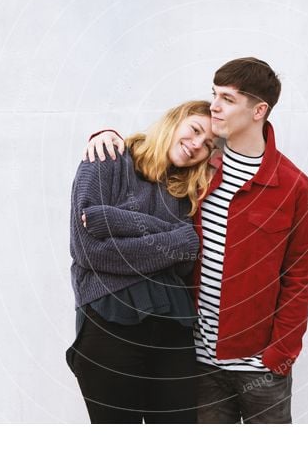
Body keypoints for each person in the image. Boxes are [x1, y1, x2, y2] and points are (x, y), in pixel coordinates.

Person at [84, 58, 308, 423]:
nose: (215, 105)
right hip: (194, 361)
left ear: (259, 110)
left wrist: (280, 355)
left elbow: (300, 276)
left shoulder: (293, 186)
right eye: (214, 94)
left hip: (261, 365)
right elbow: (151, 157)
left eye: (227, 98)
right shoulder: (195, 173)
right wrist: (107, 135)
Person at [66, 100, 216, 423]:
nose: (196, 146)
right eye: (195, 130)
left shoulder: (184, 190)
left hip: (173, 331)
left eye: (208, 146)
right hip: (109, 325)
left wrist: (110, 220)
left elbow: (186, 257)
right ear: (174, 121)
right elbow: (88, 250)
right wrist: (176, 238)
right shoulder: (106, 159)